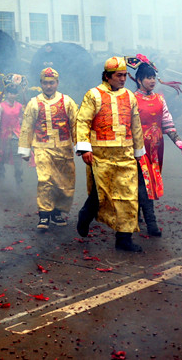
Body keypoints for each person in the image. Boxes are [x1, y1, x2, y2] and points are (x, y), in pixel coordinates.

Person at [75, 56, 146, 252]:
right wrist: (85, 148)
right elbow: (83, 121)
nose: (123, 79)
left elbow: (136, 124)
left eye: (125, 75)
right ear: (107, 76)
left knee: (129, 196)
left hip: (125, 154)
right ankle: (86, 214)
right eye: (119, 75)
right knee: (102, 193)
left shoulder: (130, 96)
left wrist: (139, 151)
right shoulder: (93, 95)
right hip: (101, 154)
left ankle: (124, 238)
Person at [18, 67, 79, 231]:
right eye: (45, 83)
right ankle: (44, 214)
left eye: (51, 83)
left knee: (64, 182)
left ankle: (57, 211)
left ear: (57, 83)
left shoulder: (67, 101)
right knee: (45, 180)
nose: (48, 86)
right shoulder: (34, 103)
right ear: (41, 84)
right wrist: (24, 148)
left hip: (64, 148)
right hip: (42, 148)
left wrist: (80, 144)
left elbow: (76, 124)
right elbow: (27, 126)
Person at [132, 61, 182, 237]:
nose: (152, 81)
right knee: (143, 184)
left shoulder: (160, 99)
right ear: (139, 80)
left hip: (156, 148)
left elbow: (167, 122)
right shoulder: (131, 99)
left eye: (154, 77)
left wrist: (177, 141)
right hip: (137, 150)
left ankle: (136, 215)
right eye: (148, 78)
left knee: (145, 184)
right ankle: (151, 223)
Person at [0, 83, 24, 183]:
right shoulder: (1, 106)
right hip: (4, 136)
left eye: (14, 93)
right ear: (7, 94)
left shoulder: (19, 106)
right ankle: (1, 172)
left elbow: (21, 119)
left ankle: (19, 179)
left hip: (16, 135)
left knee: (17, 158)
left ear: (17, 95)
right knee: (4, 155)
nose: (12, 95)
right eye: (10, 93)